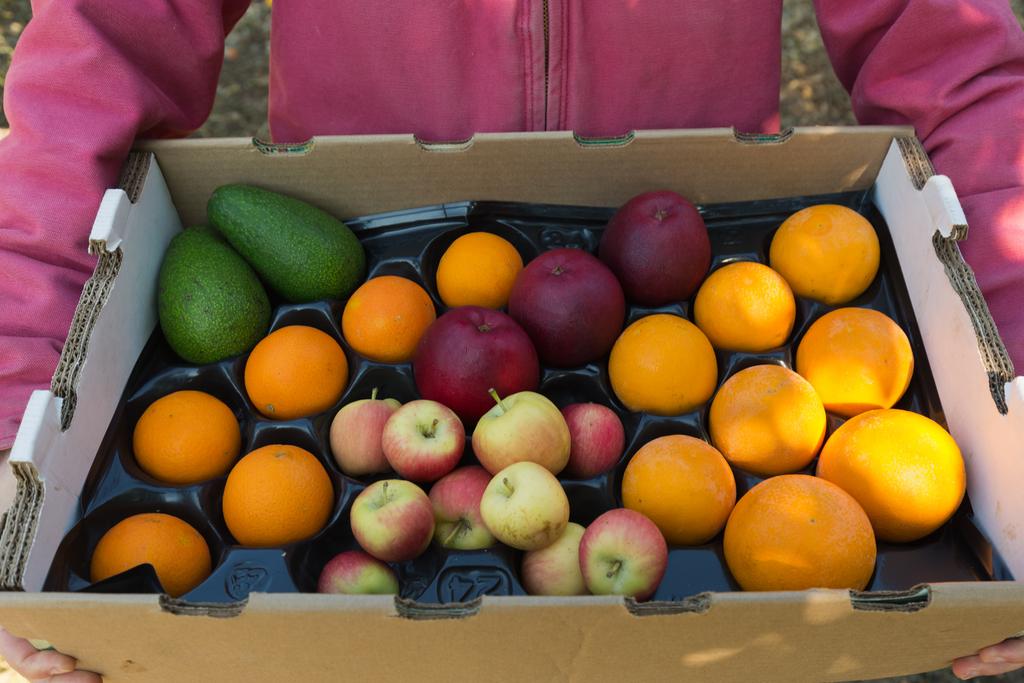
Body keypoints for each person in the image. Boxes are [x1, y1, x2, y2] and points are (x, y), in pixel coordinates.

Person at [1, 1, 1023, 680]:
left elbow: (956, 61)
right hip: (372, 247)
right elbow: (98, 49)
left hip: (685, 247)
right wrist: (17, 436)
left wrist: (1013, 386)